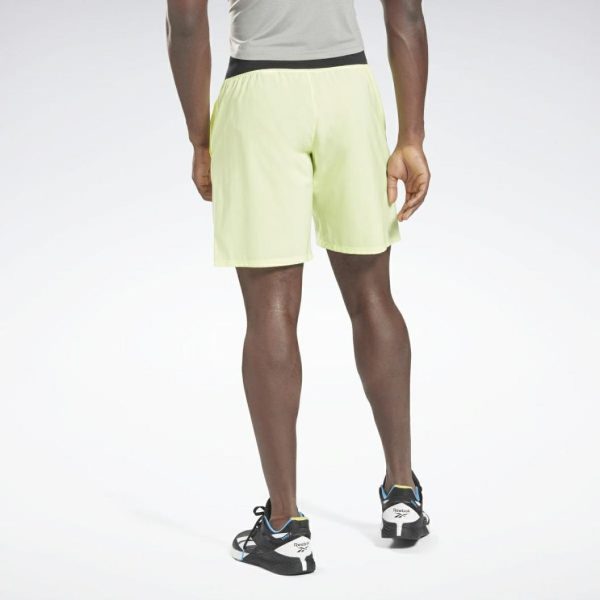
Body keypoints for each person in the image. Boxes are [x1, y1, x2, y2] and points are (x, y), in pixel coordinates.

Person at [166, 0, 431, 576]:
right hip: (348, 89)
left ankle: (285, 527)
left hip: (259, 93)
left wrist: (200, 139)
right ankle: (402, 493)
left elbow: (186, 22)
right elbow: (406, 14)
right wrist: (411, 135)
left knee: (272, 311)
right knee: (372, 296)